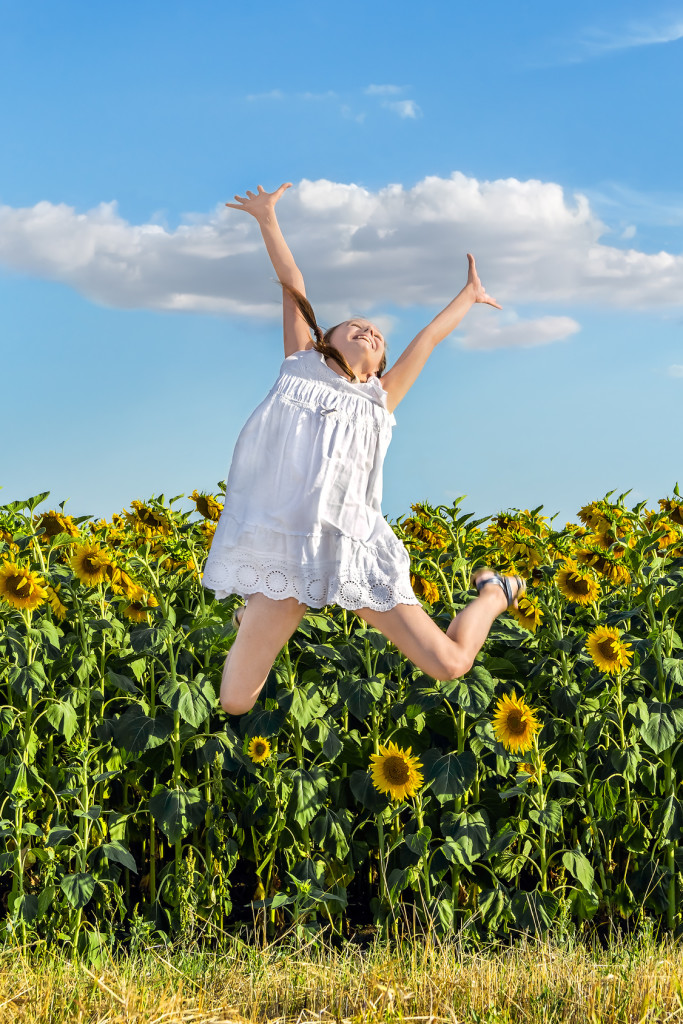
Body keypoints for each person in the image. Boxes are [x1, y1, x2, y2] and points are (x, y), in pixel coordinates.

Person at [201, 182, 525, 715]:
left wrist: (468, 296)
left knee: (450, 665)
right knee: (235, 703)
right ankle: (252, 610)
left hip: (353, 547)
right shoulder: (300, 362)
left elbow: (428, 339)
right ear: (326, 337)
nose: (369, 330)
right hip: (286, 550)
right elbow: (293, 284)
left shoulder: (381, 399)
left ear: (379, 367)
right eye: (357, 326)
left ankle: (493, 591)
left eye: (377, 337)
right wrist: (267, 219)